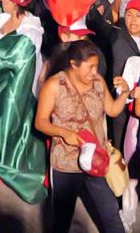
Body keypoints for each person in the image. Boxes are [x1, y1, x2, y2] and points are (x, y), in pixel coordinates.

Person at [35, 38, 128, 233]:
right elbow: (40, 122)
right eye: (90, 67)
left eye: (96, 66)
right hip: (66, 164)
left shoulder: (98, 82)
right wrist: (63, 132)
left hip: (96, 159)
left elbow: (111, 110)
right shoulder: (54, 85)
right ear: (73, 64)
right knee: (62, 220)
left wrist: (124, 93)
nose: (95, 72)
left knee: (111, 213)